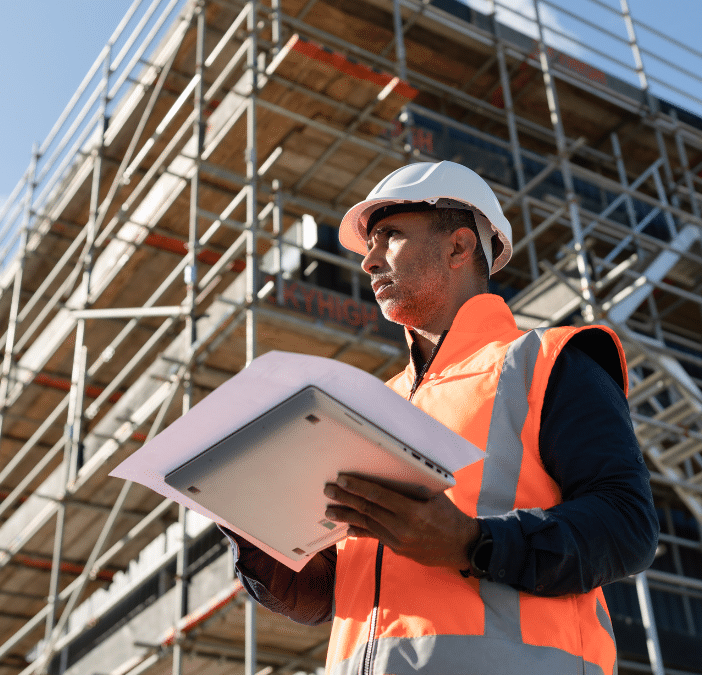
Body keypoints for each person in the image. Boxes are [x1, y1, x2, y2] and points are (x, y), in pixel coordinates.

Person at [221, 160, 658, 675]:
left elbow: (628, 525)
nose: (369, 261)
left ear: (458, 246)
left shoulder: (545, 361)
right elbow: (326, 597)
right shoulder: (368, 406)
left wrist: (473, 543)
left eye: (389, 237)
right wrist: (258, 531)